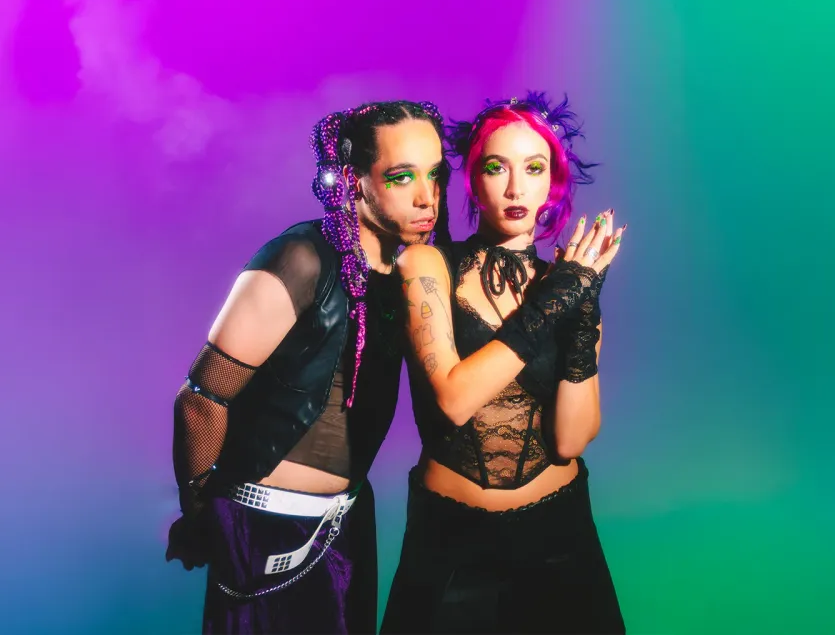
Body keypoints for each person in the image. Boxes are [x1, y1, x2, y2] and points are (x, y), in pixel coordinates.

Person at [165, 100, 452, 634]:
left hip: (347, 524)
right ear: (354, 181)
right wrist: (201, 511)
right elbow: (201, 400)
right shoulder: (300, 257)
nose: (426, 196)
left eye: (434, 174)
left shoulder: (410, 273)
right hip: (264, 526)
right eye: (402, 176)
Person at [380, 92, 627, 634]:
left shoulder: (567, 287)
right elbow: (454, 400)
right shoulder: (427, 264)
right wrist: (552, 303)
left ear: (553, 182)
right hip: (450, 544)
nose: (516, 189)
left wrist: (582, 312)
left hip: (560, 538)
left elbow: (571, 440)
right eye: (497, 168)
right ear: (472, 180)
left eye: (534, 168)